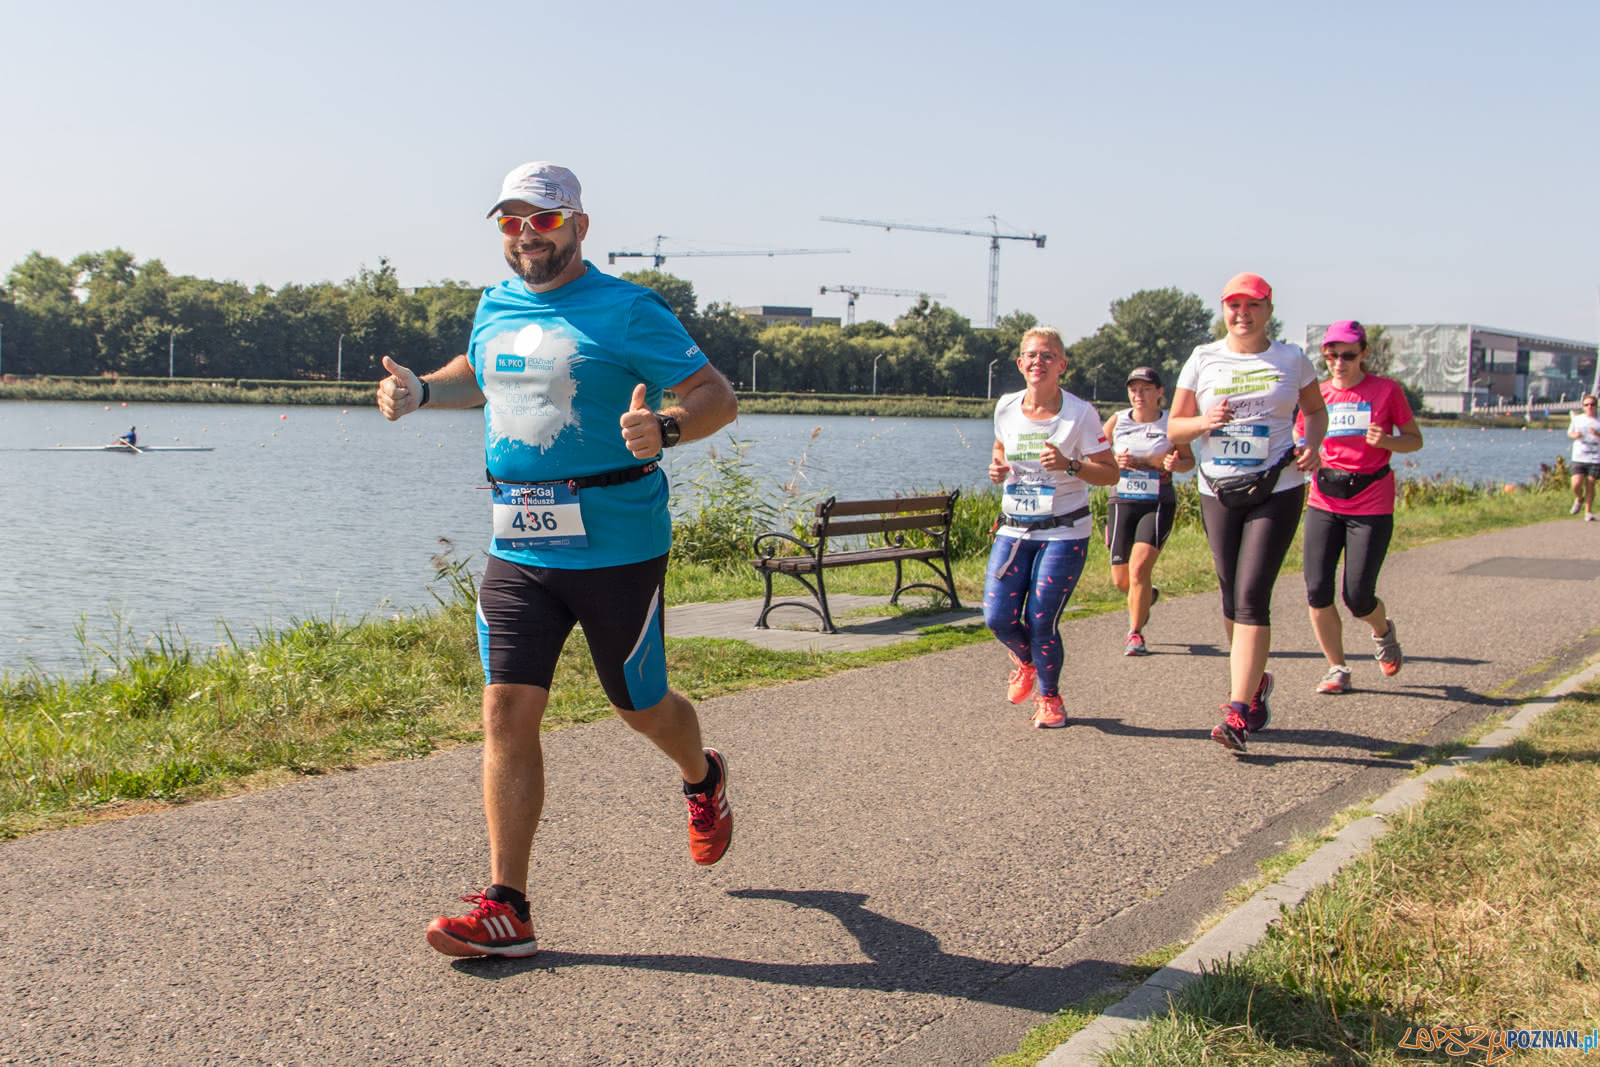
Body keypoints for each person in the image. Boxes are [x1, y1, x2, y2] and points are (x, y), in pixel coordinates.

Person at [376, 161, 739, 958]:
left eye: (542, 220)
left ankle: (700, 772)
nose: (526, 236)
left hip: (616, 544)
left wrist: (669, 428)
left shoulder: (628, 309)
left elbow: (716, 392)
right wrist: (421, 391)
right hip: (519, 542)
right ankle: (508, 906)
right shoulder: (494, 304)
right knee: (505, 709)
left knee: (638, 704)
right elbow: (480, 371)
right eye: (511, 222)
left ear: (577, 223)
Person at [1166, 273, 1326, 753]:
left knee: (1254, 592)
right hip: (1218, 489)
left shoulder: (1291, 359)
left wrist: (1312, 445)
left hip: (1278, 484)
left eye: (1252, 305)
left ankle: (1236, 712)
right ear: (1223, 311)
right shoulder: (1202, 358)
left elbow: (1315, 412)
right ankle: (1255, 684)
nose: (1242, 314)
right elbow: (1175, 427)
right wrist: (1204, 422)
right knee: (1231, 594)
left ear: (1267, 310)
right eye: (1233, 305)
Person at [985, 326, 1119, 728]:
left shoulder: (1079, 414)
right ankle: (1026, 662)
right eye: (1031, 355)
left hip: (1063, 531)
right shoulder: (1006, 407)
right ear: (1020, 363)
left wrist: (1070, 465)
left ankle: (1050, 698)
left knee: (1042, 619)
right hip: (1013, 529)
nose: (1038, 362)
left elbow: (1110, 473)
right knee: (997, 616)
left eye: (1047, 356)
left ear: (1061, 365)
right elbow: (999, 449)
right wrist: (997, 468)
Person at [1296, 321, 1422, 695]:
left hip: (1371, 500)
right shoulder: (1317, 394)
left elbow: (1414, 440)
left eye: (1348, 355)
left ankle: (1382, 631)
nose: (1339, 362)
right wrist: (1306, 452)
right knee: (1317, 589)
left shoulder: (1386, 392)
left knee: (1357, 596)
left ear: (1364, 354)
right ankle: (1337, 668)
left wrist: (1388, 440)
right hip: (1324, 497)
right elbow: (1301, 433)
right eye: (1332, 355)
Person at [1102, 366, 1194, 656]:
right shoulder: (1116, 421)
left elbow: (1189, 461)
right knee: (1121, 581)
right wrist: (1115, 460)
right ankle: (1147, 598)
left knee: (1140, 568)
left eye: (1145, 389)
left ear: (1159, 393)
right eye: (1133, 389)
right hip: (1122, 502)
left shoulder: (1172, 424)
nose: (1138, 395)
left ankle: (1135, 634)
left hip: (1157, 503)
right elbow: (1093, 456)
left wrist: (1174, 465)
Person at [1568, 394, 1599, 521]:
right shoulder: (1577, 419)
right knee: (1576, 484)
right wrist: (1575, 435)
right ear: (1583, 407)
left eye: (1592, 404)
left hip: (1596, 458)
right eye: (1587, 404)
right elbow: (1570, 433)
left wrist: (1597, 434)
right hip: (1579, 456)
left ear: (1596, 406)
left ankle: (1588, 512)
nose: (1589, 407)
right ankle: (1579, 498)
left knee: (1590, 483)